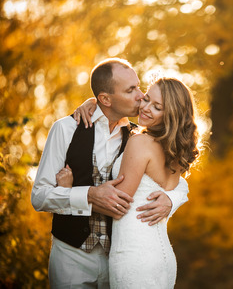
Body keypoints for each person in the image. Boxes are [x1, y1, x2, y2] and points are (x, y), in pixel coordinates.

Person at [31, 58, 189, 288]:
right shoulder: (66, 129)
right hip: (72, 258)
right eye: (131, 89)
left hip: (121, 257)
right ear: (105, 99)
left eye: (139, 86)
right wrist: (87, 195)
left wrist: (171, 200)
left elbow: (174, 178)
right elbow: (39, 196)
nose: (140, 95)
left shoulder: (139, 136)